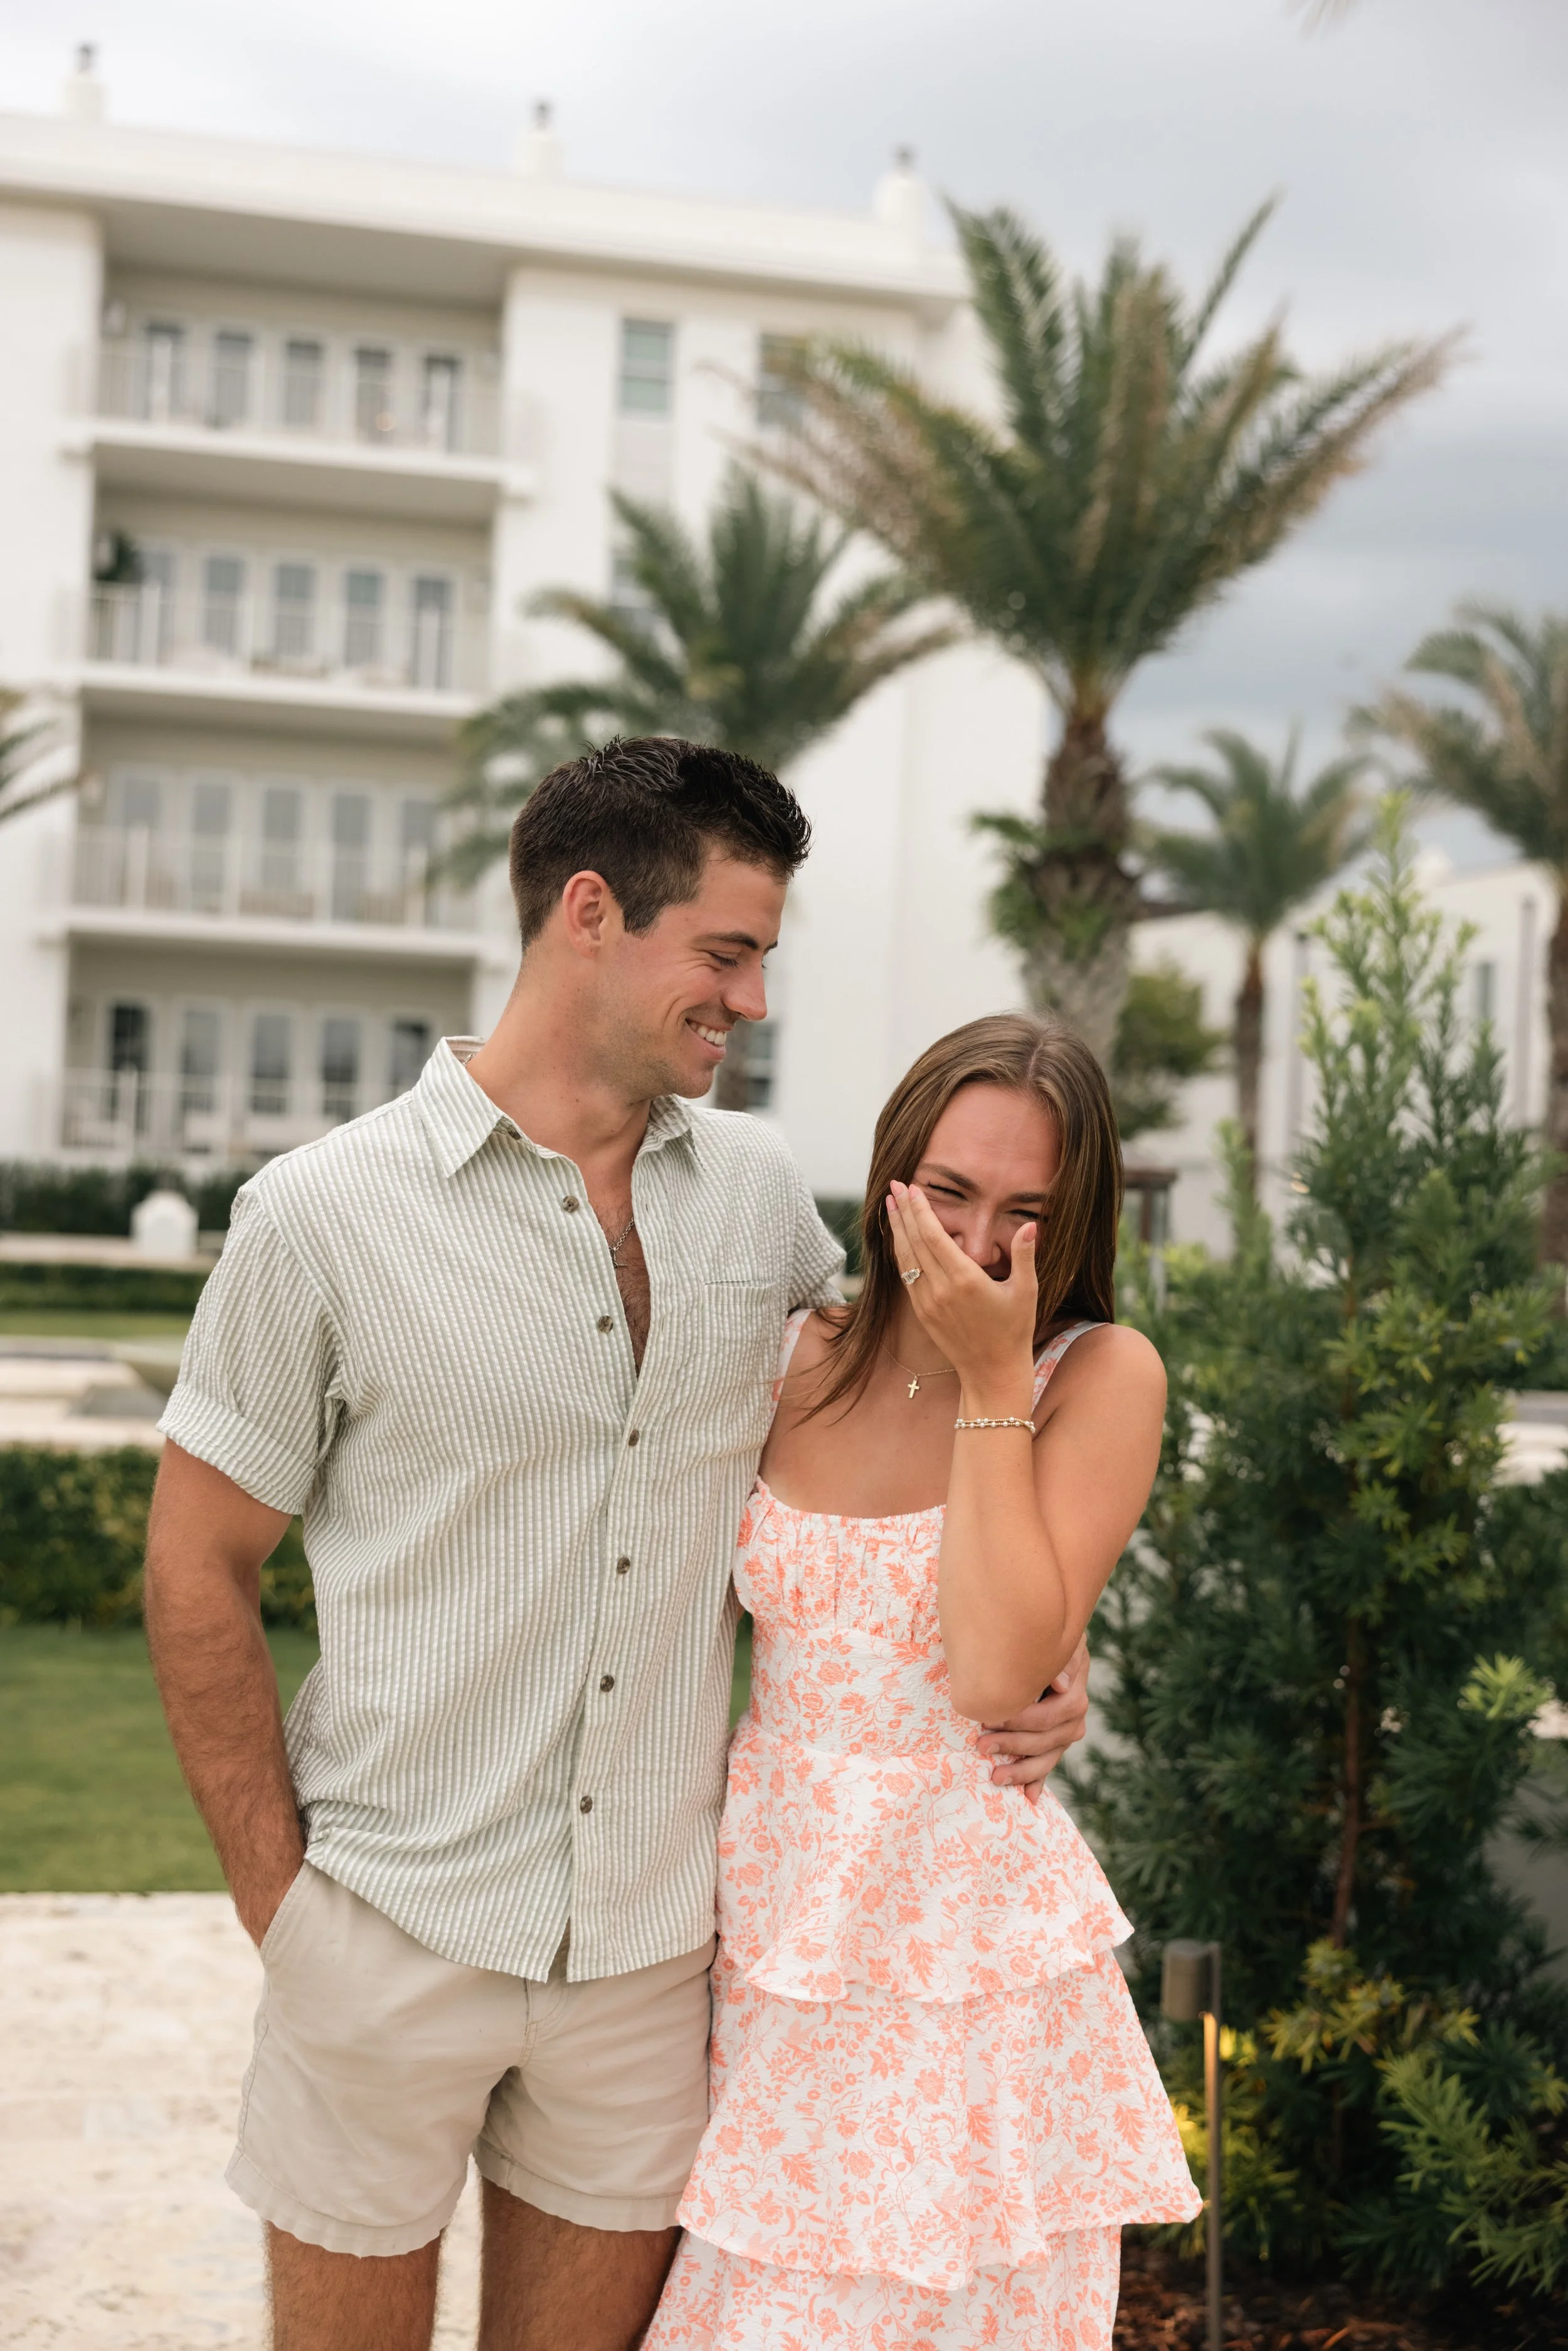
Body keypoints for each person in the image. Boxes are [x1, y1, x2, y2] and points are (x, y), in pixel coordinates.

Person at [142, 738, 1091, 2351]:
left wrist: (1051, 1663)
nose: (755, 998)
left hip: (653, 1962)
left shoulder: (754, 1200)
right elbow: (193, 1568)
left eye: (764, 958)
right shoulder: (319, 1213)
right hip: (384, 1927)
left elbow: (901, 1429)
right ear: (592, 911)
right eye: (725, 952)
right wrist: (281, 1907)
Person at [645, 1014, 1202, 2351]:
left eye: (1026, 1209)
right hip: (767, 1921)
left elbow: (1000, 1665)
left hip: (961, 1947)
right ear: (892, 1170)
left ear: (1074, 1225)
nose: (975, 1237)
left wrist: (990, 1374)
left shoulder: (1098, 1375)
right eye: (947, 1190)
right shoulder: (792, 1353)